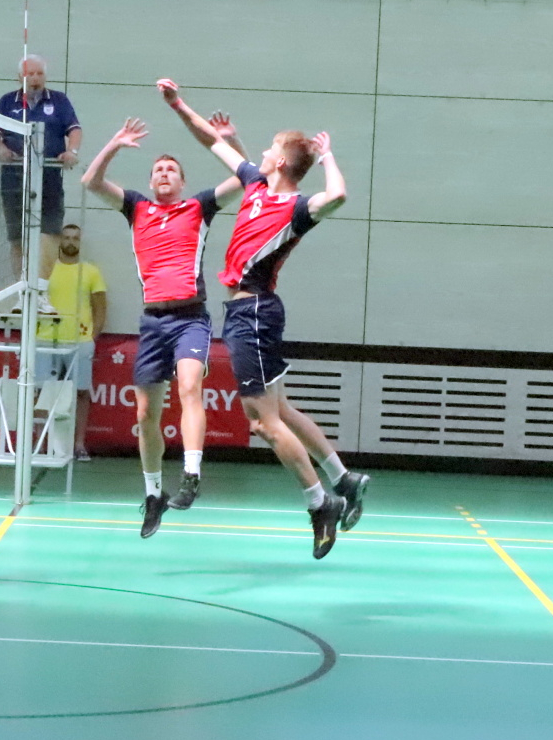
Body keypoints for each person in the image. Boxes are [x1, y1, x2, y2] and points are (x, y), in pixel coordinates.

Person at [159, 79, 369, 558]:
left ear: (281, 164)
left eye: (270, 148)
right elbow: (210, 140)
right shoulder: (254, 183)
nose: (262, 152)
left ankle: (320, 504)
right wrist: (178, 104)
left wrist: (327, 156)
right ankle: (344, 478)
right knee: (283, 411)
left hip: (252, 313)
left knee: (263, 422)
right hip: (252, 312)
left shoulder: (296, 208)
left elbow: (338, 195)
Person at [82, 117, 242, 536]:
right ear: (151, 182)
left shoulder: (199, 207)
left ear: (183, 182)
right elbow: (90, 181)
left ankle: (191, 475)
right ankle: (153, 493)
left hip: (190, 318)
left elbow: (248, 178)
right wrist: (115, 143)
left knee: (189, 388)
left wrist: (230, 141)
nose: (164, 173)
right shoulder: (137, 208)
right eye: (158, 170)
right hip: (152, 321)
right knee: (145, 413)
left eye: (171, 169)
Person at [0, 55, 82, 279]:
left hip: (49, 179)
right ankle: (21, 287)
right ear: (20, 77)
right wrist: (1, 150)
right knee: (17, 237)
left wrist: (72, 152)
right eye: (30, 74)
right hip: (14, 179)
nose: (35, 78)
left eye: (39, 74)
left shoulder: (59, 100)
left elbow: (75, 129)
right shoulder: (8, 102)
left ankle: (42, 288)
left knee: (50, 232)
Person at [36, 223, 106, 463]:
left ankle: (78, 445)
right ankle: (41, 444)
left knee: (81, 392)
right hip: (46, 339)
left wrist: (92, 337)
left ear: (80, 242)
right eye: (66, 237)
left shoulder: (91, 272)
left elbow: (100, 308)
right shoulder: (45, 270)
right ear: (59, 241)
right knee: (42, 392)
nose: (70, 242)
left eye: (75, 238)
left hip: (80, 342)